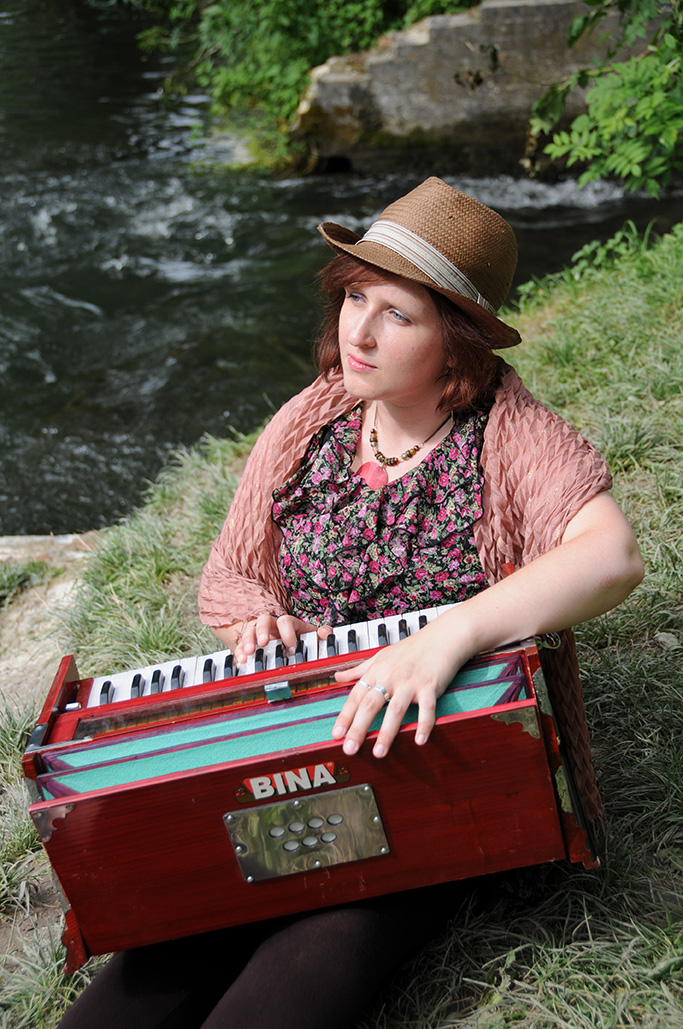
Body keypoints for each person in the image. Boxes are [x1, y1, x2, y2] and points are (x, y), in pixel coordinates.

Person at [58, 178, 643, 1029]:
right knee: (163, 956)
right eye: (354, 297)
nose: (357, 332)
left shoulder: (511, 431)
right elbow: (233, 573)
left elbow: (611, 556)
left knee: (302, 964)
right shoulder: (315, 416)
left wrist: (446, 636)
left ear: (457, 340)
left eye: (396, 314)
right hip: (303, 748)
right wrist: (260, 621)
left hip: (435, 768)